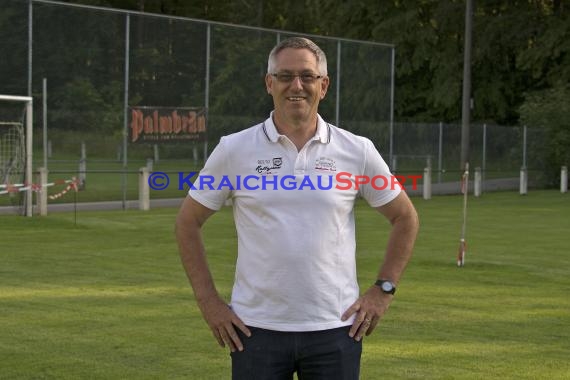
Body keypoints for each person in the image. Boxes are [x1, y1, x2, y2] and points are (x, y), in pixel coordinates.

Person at [175, 36, 419, 380]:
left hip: (336, 329)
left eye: (307, 76)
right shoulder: (234, 150)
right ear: (269, 83)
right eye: (286, 75)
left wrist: (383, 291)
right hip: (254, 330)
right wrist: (209, 302)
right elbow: (187, 222)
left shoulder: (357, 150)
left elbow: (404, 217)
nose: (297, 86)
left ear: (324, 85)